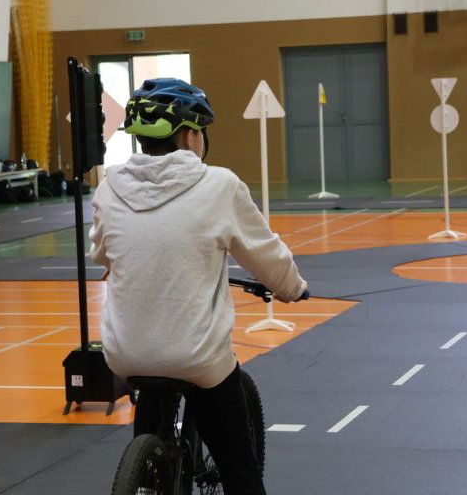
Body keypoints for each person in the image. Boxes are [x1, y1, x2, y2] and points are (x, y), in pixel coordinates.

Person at [89, 78, 307, 494]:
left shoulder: (108, 187)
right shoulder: (219, 186)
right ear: (190, 135)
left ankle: (149, 469)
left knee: (150, 399)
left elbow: (102, 252)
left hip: (127, 354)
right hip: (196, 358)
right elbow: (266, 256)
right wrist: (292, 288)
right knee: (240, 469)